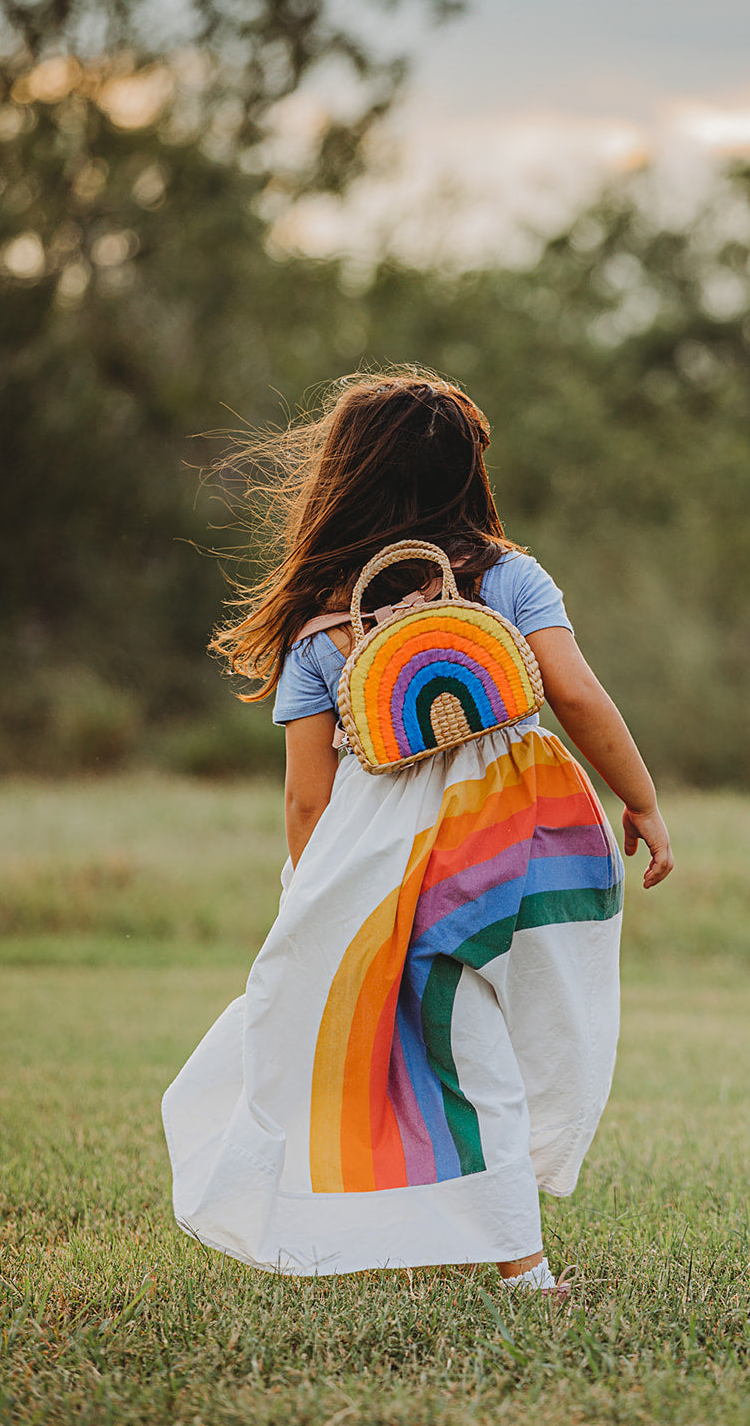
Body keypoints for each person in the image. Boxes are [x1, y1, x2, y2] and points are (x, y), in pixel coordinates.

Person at [162, 369, 672, 1292]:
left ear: (342, 478)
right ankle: (507, 1251)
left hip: (388, 861)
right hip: (522, 840)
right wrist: (638, 797)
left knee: (440, 1040)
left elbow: (308, 799)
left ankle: (490, 1249)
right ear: (468, 472)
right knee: (502, 1033)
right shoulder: (508, 578)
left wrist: (311, 892)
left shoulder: (320, 616)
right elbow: (576, 693)